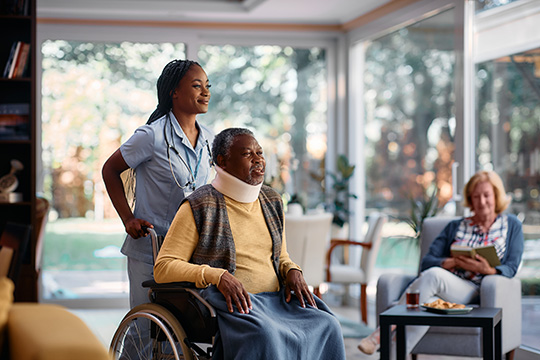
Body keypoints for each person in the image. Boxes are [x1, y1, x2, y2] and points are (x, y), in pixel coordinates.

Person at [154, 128, 346, 360]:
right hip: (234, 305)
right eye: (247, 154)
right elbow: (163, 267)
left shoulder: (272, 199)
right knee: (265, 335)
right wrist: (218, 276)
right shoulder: (199, 204)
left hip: (277, 300)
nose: (258, 160)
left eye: (260, 153)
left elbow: (280, 257)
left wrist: (292, 269)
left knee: (327, 324)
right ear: (222, 161)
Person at [358, 170, 524, 356]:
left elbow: (511, 267)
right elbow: (427, 261)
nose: (482, 201)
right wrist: (453, 262)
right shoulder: (456, 226)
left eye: (487, 195)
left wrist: (487, 270)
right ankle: (393, 355)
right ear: (470, 199)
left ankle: (380, 335)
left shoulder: (511, 226)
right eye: (476, 196)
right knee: (425, 306)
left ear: (496, 196)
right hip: (450, 285)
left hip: (480, 290)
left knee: (434, 276)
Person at [102, 59, 214, 312]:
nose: (206, 92)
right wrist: (128, 219)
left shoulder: (209, 138)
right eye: (197, 86)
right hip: (152, 247)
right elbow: (110, 169)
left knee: (182, 330)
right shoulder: (151, 136)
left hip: (190, 251)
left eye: (207, 86)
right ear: (174, 91)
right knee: (145, 329)